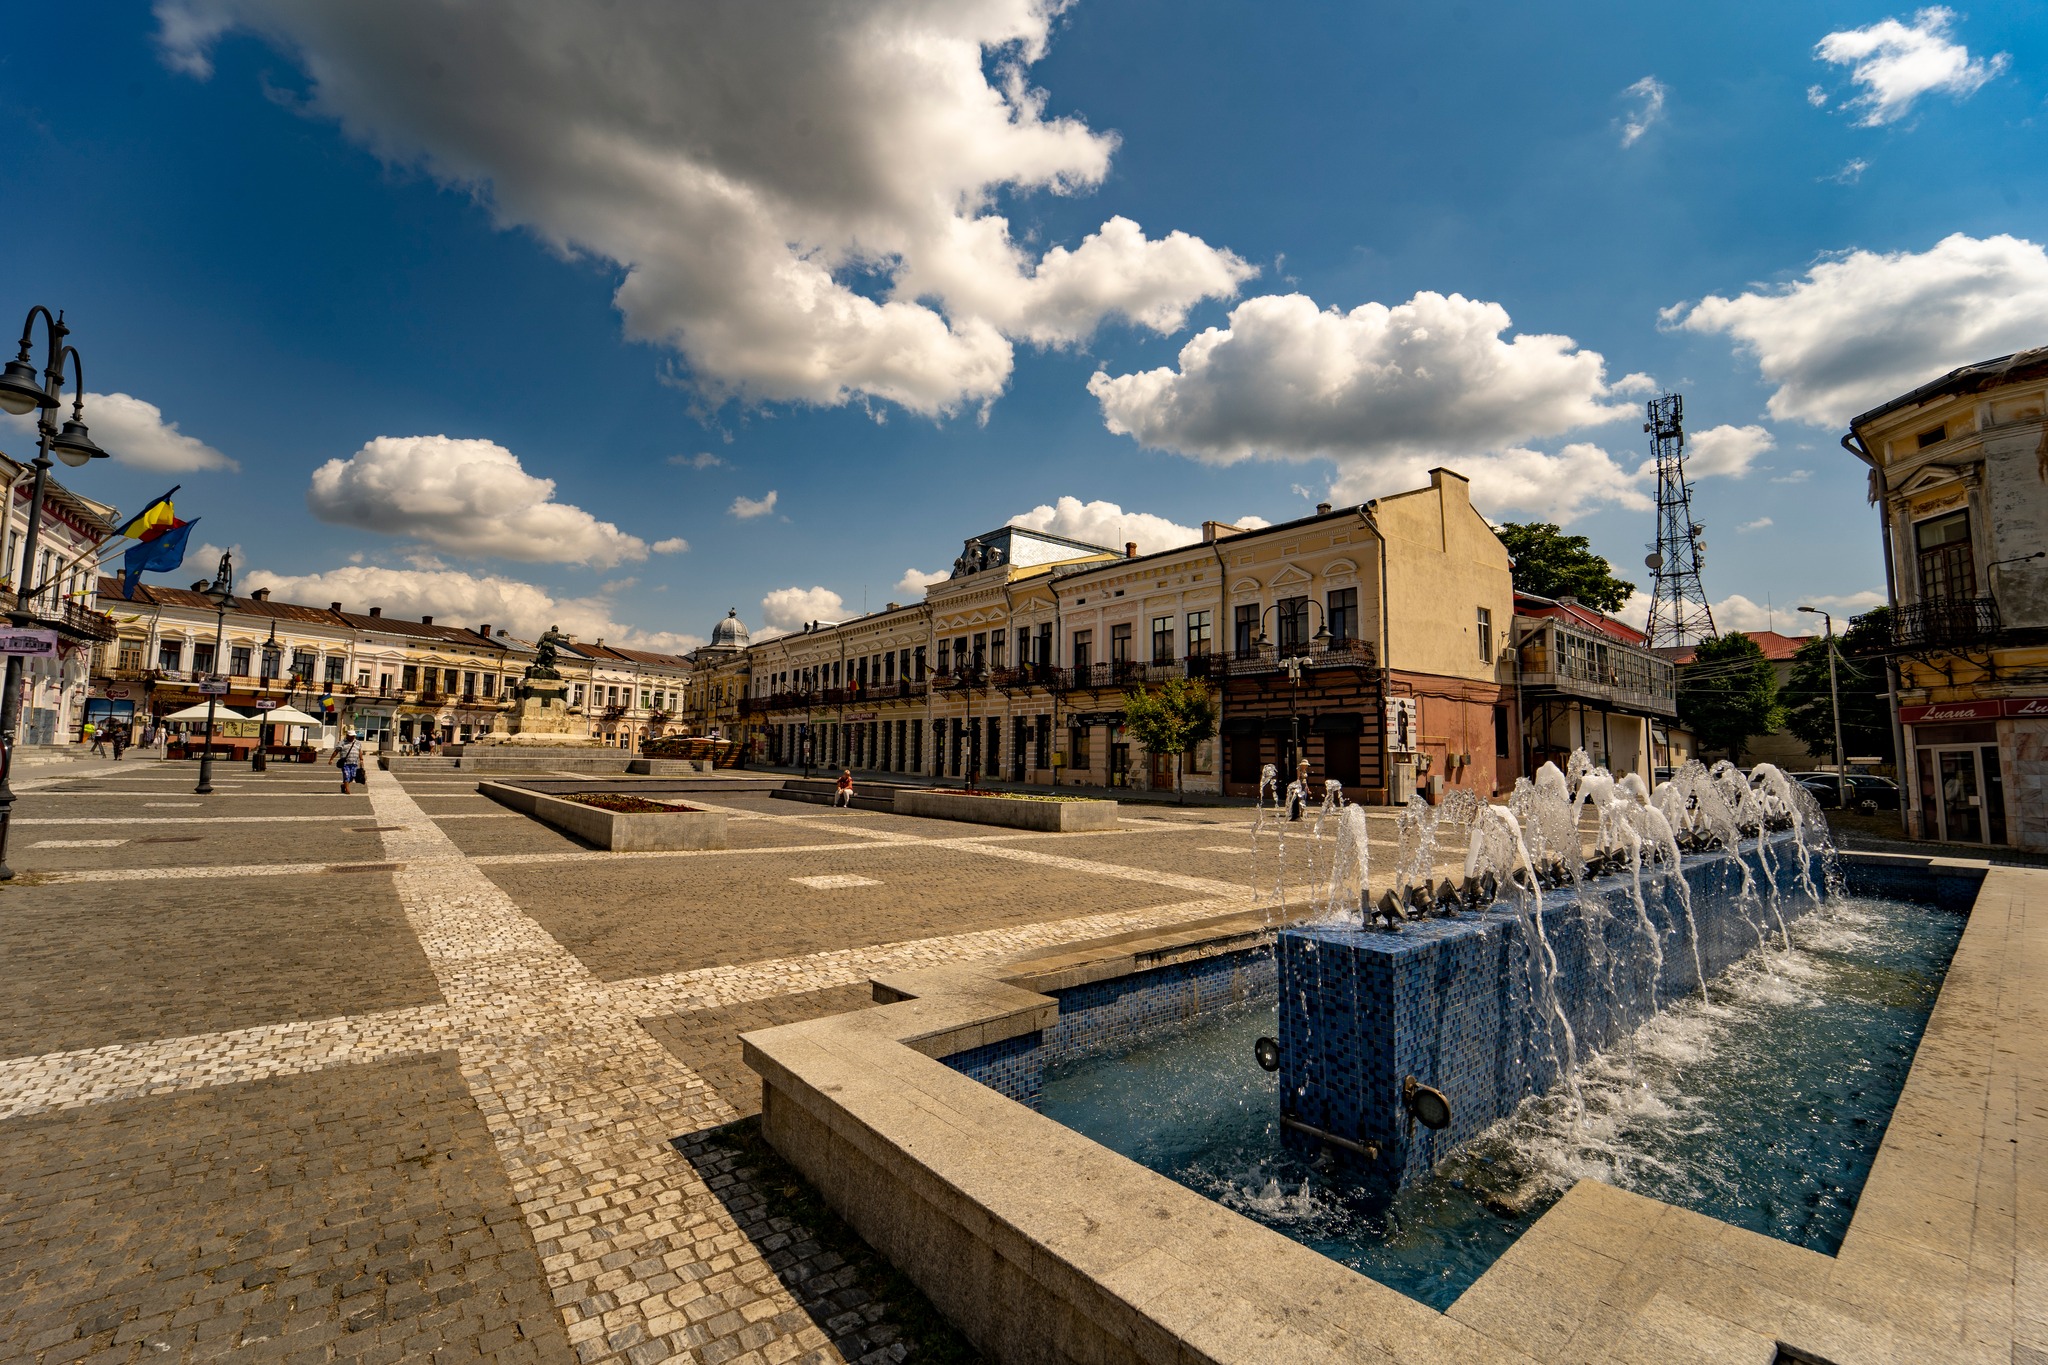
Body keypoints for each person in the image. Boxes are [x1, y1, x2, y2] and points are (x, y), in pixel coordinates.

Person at [334, 729, 365, 794]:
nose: (352, 737)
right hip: (345, 763)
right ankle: (347, 790)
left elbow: (359, 751)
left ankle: (343, 786)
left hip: (354, 763)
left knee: (352, 777)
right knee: (346, 775)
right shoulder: (342, 742)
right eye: (351, 736)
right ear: (347, 736)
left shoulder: (358, 743)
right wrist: (331, 759)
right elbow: (336, 751)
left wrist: (361, 759)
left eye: (353, 736)